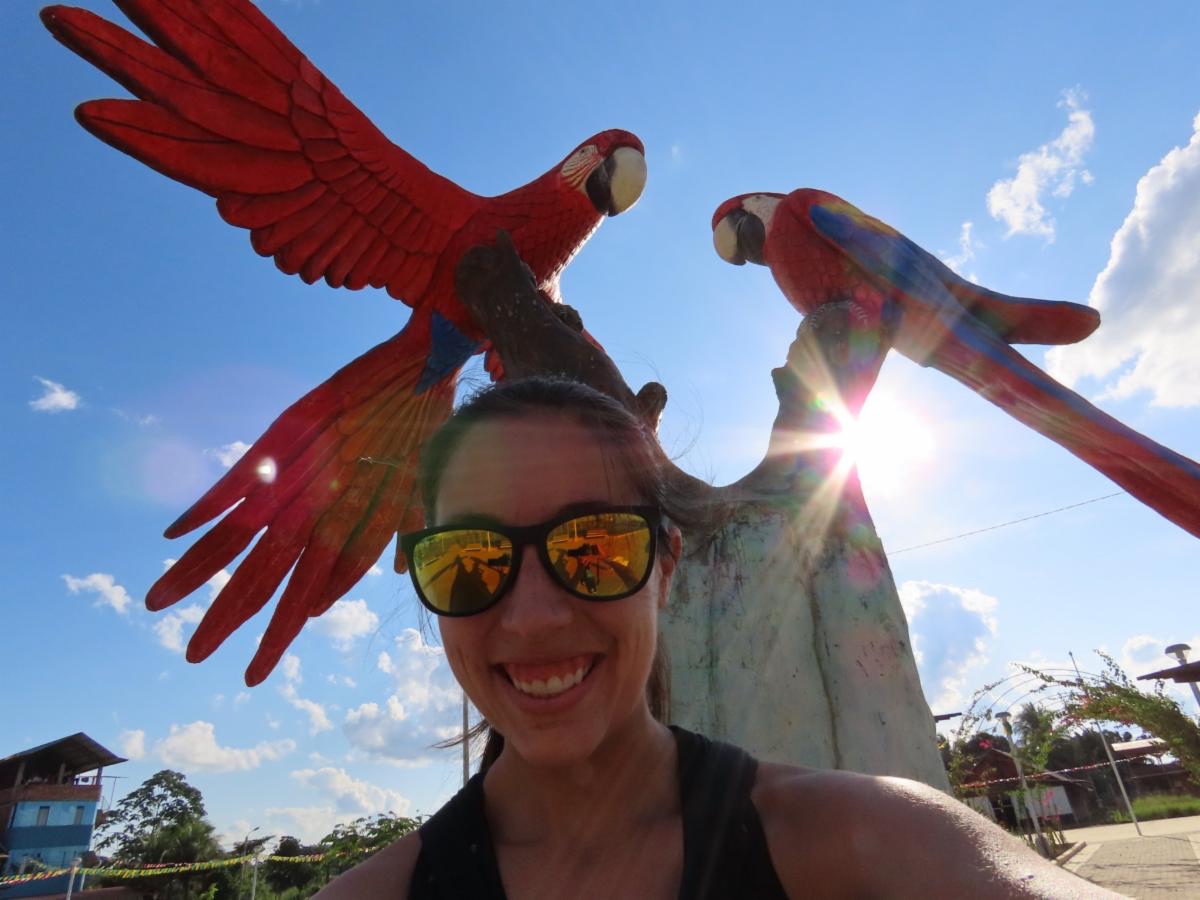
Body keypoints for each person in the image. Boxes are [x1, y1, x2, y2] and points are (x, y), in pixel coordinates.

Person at [318, 376, 1117, 899]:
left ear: (666, 566)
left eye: (594, 549)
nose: (531, 617)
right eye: (470, 561)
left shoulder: (854, 844)